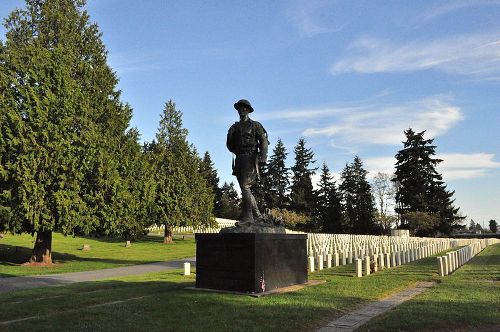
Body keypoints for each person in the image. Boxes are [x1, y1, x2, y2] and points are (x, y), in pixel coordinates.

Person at [226, 99, 268, 224]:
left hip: (251, 158)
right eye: (240, 108)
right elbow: (229, 144)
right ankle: (258, 216)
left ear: (248, 110)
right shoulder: (234, 127)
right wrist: (238, 150)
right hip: (239, 159)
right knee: (245, 189)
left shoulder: (255, 125)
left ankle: (248, 216)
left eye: (244, 108)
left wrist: (263, 156)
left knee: (245, 186)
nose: (242, 110)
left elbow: (264, 141)